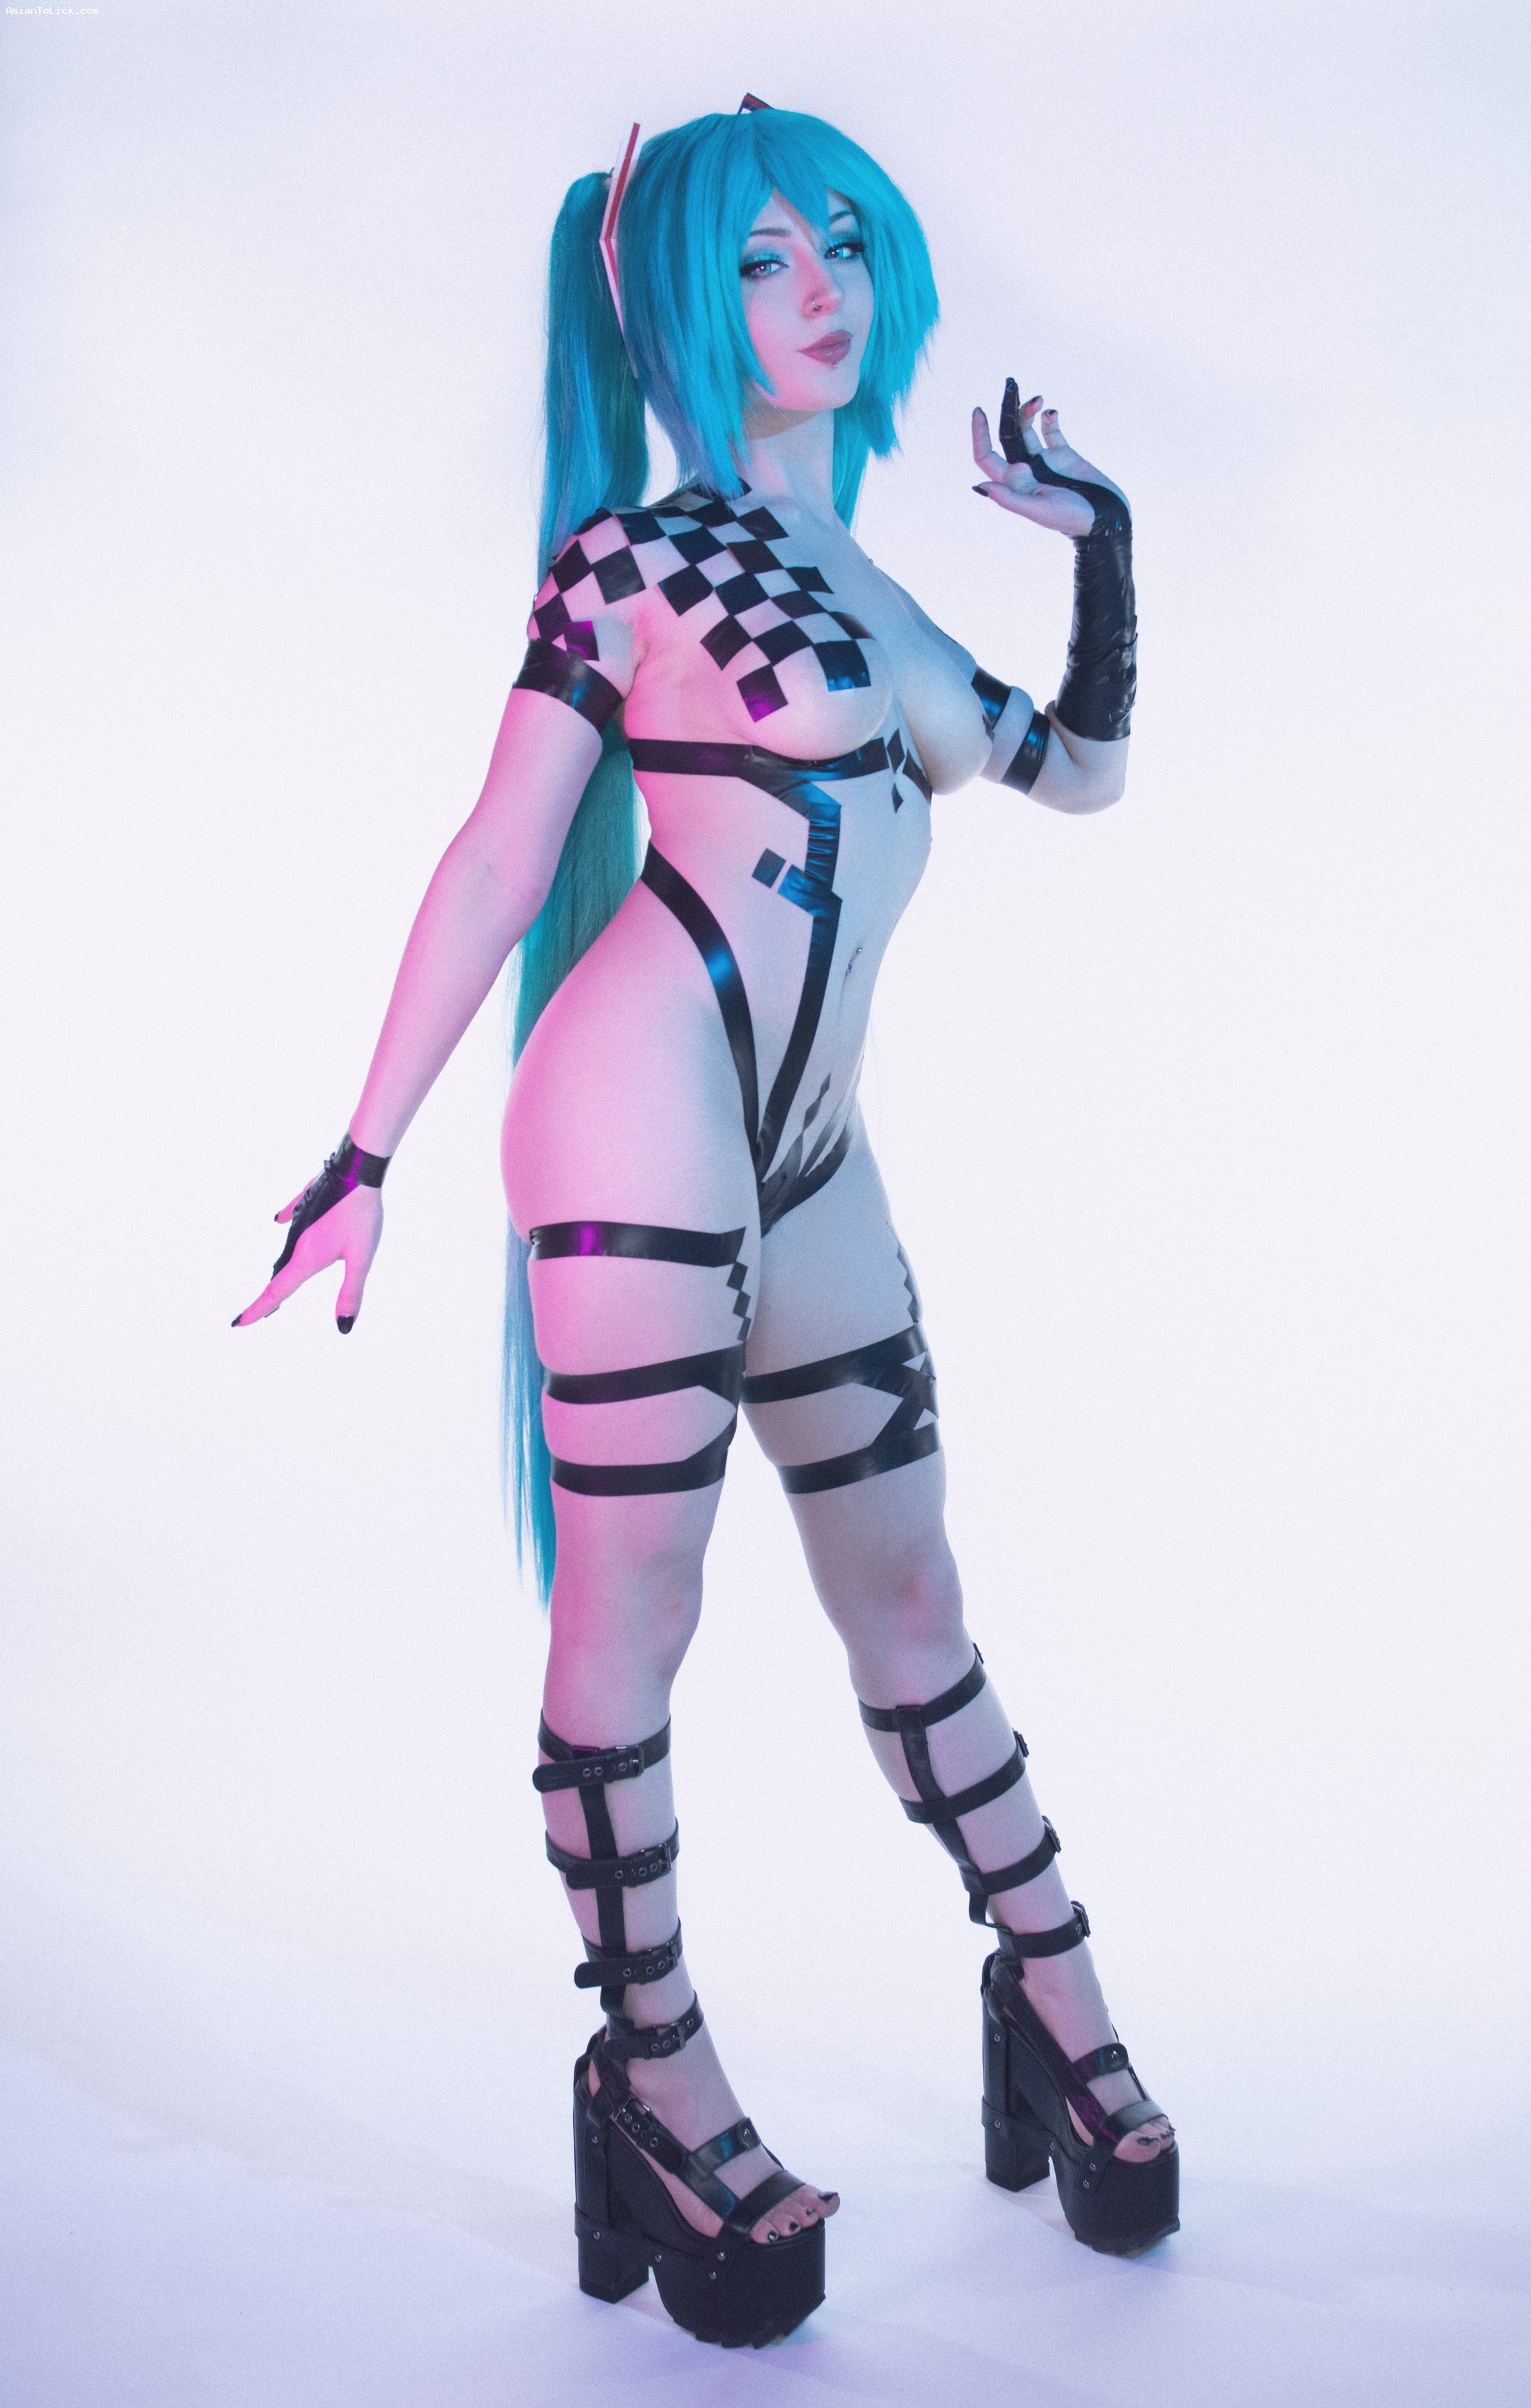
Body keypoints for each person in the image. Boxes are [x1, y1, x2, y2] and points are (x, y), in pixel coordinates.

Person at [235, 100, 1174, 2349]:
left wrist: (1109, 544)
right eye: (760, 259)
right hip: (636, 1120)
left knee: (913, 1590)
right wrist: (363, 1153)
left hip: (813, 1152)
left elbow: (1080, 769)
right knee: (636, 1609)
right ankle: (652, 2072)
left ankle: (1052, 1990)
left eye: (838, 240)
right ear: (672, 300)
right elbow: (499, 854)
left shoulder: (879, 592)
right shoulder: (633, 566)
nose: (818, 289)